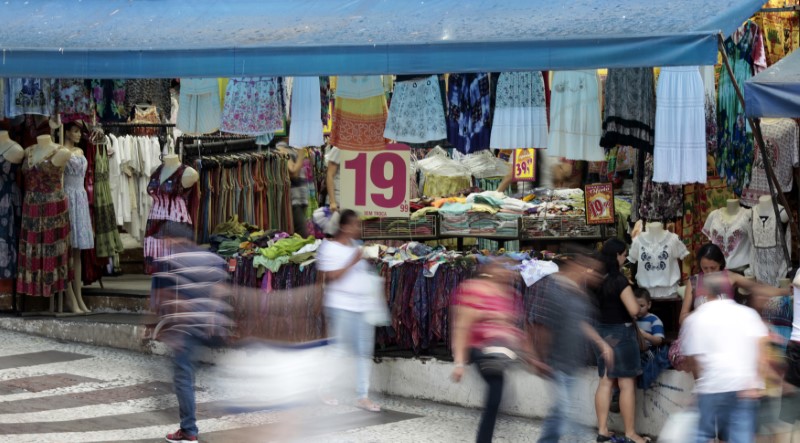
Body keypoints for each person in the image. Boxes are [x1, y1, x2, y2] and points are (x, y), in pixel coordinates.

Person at [151, 224, 232, 443]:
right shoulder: (212, 258)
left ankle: (188, 430)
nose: (164, 244)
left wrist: (169, 329)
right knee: (196, 373)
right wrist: (212, 316)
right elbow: (221, 289)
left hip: (186, 328)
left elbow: (172, 300)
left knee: (183, 377)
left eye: (165, 239)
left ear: (173, 239)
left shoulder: (171, 263)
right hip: (209, 326)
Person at [529, 251, 614, 443]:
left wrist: (601, 344)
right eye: (592, 269)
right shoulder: (554, 290)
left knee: (560, 413)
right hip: (557, 363)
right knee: (565, 414)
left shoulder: (581, 295)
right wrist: (539, 358)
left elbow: (581, 323)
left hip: (573, 364)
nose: (595, 275)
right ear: (578, 267)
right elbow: (540, 325)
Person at [450, 258, 530, 443]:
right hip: (480, 349)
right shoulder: (474, 289)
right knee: (495, 393)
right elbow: (462, 326)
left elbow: (515, 326)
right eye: (502, 268)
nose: (506, 272)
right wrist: (459, 362)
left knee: (497, 396)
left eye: (509, 269)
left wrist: (530, 355)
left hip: (503, 351)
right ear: (490, 269)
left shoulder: (511, 294)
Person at [682, 283, 769, 443]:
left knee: (702, 434)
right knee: (741, 436)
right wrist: (755, 382)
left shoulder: (695, 318)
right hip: (743, 386)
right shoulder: (748, 314)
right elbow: (762, 351)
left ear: (706, 294)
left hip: (712, 386)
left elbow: (693, 360)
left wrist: (699, 386)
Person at [316, 209, 381, 412]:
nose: (358, 228)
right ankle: (324, 387)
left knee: (364, 353)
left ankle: (362, 396)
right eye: (355, 224)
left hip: (362, 307)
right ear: (344, 226)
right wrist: (352, 261)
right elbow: (331, 277)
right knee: (340, 351)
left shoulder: (357, 247)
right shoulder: (328, 248)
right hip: (341, 306)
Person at [594, 238, 649, 443]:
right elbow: (634, 310)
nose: (625, 258)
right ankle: (630, 433)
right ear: (617, 255)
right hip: (621, 333)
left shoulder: (596, 279)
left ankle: (602, 430)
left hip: (602, 333)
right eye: (624, 254)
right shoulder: (619, 281)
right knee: (626, 383)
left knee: (606, 381)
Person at [679, 243, 788, 326]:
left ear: (721, 263)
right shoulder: (694, 281)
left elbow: (758, 288)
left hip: (727, 330)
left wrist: (787, 291)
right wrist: (703, 314)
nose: (709, 272)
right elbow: (682, 318)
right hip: (701, 332)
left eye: (713, 268)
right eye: (705, 268)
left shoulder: (730, 277)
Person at [278, 141, 310, 237]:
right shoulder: (281, 148)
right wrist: (301, 154)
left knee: (300, 236)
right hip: (293, 200)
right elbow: (293, 172)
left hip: (301, 199)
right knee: (303, 236)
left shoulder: (293, 148)